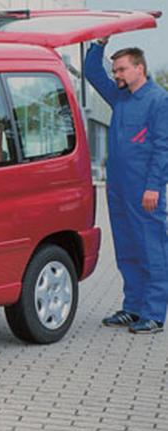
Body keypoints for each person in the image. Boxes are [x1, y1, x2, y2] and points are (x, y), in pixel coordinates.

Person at [84, 37, 168, 334]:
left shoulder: (159, 100)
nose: (116, 75)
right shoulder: (120, 97)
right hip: (118, 188)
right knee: (127, 248)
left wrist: (155, 187)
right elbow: (91, 72)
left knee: (152, 249)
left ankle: (154, 314)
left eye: (121, 69)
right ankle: (133, 307)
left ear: (139, 68)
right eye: (116, 70)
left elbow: (163, 147)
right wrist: (98, 44)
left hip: (145, 190)